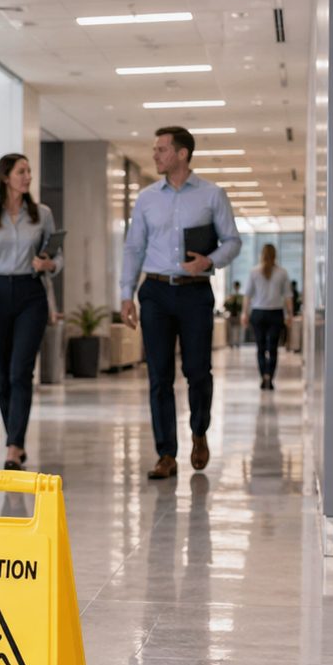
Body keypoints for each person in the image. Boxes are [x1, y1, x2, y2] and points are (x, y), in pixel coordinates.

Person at [119, 127, 241, 480]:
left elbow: (232, 241)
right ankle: (166, 454)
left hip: (194, 292)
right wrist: (126, 293)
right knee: (159, 376)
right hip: (155, 291)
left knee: (197, 371)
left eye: (162, 149)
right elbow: (133, 248)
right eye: (155, 149)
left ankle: (199, 431)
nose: (155, 155)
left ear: (182, 154)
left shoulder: (212, 195)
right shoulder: (146, 199)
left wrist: (209, 261)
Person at [0, 153, 60, 471]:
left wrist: (49, 264)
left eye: (29, 171)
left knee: (21, 372)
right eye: (22, 171)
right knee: (3, 376)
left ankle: (13, 445)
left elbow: (57, 258)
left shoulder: (42, 214)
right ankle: (14, 439)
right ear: (6, 177)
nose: (28, 176)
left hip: (31, 294)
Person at [244, 244, 293, 390]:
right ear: (275, 255)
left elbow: (247, 295)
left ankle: (263, 376)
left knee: (260, 347)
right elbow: (288, 296)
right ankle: (270, 377)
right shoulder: (282, 273)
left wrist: (244, 313)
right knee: (272, 348)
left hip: (258, 313)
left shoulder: (254, 272)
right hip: (275, 313)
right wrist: (290, 314)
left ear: (261, 254)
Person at [223, 281, 245, 348]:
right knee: (231, 330)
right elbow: (225, 305)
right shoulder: (231, 296)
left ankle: (237, 343)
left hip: (238, 314)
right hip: (232, 314)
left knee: (238, 330)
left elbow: (243, 306)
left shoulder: (241, 297)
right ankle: (231, 343)